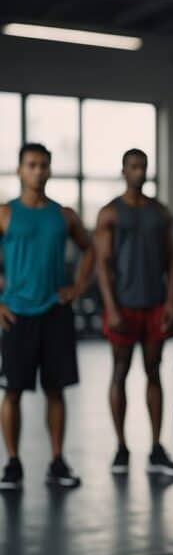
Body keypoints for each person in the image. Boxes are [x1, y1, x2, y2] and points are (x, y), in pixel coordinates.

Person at [0, 143, 95, 491]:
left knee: (56, 391)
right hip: (17, 316)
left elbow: (89, 250)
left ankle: (57, 462)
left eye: (43, 165)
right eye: (31, 165)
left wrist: (78, 287)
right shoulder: (5, 213)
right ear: (19, 170)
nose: (38, 171)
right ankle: (12, 463)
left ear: (51, 170)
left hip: (55, 313)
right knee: (12, 392)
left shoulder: (64, 215)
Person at [95, 148, 173, 476]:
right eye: (133, 166)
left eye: (143, 166)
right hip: (123, 306)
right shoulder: (109, 213)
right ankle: (121, 448)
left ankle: (156, 448)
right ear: (123, 170)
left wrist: (171, 302)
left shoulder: (160, 212)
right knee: (119, 372)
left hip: (155, 303)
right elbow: (102, 265)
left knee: (154, 372)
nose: (139, 171)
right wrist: (111, 306)